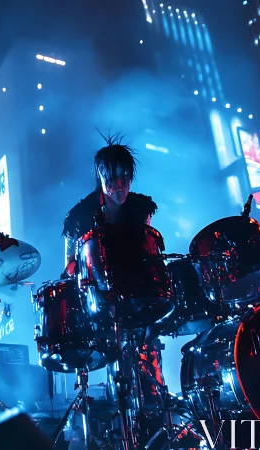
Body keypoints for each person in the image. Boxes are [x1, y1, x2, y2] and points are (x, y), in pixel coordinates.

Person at [60, 134, 166, 438]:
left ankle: (156, 429)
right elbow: (68, 264)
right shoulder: (80, 216)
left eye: (125, 179)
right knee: (118, 375)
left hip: (141, 298)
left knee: (150, 370)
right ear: (101, 179)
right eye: (113, 180)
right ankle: (122, 431)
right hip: (103, 302)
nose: (120, 187)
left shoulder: (141, 207)